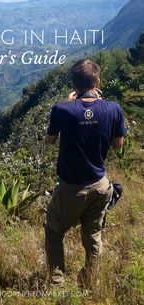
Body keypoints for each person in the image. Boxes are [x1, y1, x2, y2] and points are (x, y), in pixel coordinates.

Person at [44, 59, 126, 289]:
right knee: (93, 236)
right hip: (100, 185)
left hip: (71, 188)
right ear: (97, 82)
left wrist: (71, 105)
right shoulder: (114, 109)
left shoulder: (61, 109)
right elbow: (118, 145)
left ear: (73, 84)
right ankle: (88, 280)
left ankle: (57, 281)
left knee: (53, 230)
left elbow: (50, 141)